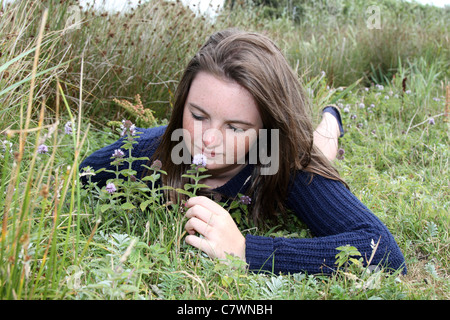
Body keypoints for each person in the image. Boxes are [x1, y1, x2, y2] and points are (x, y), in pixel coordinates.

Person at [80, 29, 406, 275]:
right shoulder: (149, 150)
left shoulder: (286, 162)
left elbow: (384, 251)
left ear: (265, 128)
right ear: (182, 106)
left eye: (235, 127)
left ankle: (332, 118)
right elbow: (85, 172)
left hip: (296, 149)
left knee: (320, 146)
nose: (208, 139)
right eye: (198, 115)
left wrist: (247, 250)